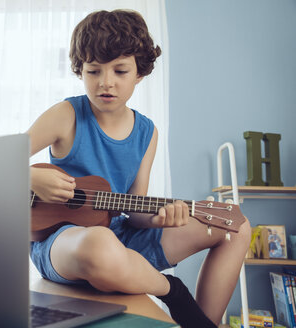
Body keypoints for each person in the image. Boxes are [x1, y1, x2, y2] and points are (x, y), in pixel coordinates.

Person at [27, 9, 251, 328]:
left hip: (120, 239)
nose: (106, 82)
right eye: (93, 71)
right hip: (64, 242)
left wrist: (163, 217)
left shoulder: (147, 132)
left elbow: (134, 211)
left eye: (120, 71)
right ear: (80, 71)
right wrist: (31, 176)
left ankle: (203, 324)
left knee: (237, 227)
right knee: (98, 244)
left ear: (140, 74)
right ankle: (172, 290)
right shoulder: (66, 114)